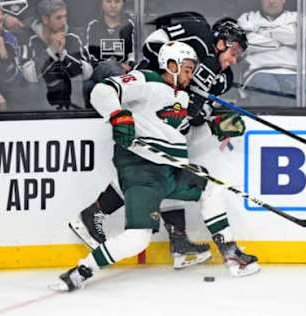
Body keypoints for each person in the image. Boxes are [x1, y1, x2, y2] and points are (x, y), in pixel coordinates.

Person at [68, 14, 258, 275]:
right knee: (148, 167)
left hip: (170, 115)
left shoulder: (217, 79)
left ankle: (178, 242)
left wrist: (212, 124)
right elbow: (152, 45)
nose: (234, 59)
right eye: (234, 50)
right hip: (149, 99)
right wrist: (170, 72)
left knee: (170, 164)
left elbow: (188, 122)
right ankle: (97, 215)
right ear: (221, 41)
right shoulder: (196, 38)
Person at [53, 41, 204, 291]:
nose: (191, 75)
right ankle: (82, 269)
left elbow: (177, 133)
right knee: (138, 237)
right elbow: (103, 91)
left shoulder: (181, 96)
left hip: (162, 168)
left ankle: (185, 244)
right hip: (141, 165)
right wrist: (117, 115)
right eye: (187, 68)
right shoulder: (146, 79)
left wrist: (212, 125)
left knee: (200, 185)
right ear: (171, 65)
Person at [238, 0, 306, 107]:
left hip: (293, 73)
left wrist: (260, 31)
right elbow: (247, 43)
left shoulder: (298, 17)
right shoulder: (247, 18)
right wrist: (279, 42)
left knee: (304, 86)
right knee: (269, 87)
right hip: (257, 72)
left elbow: (294, 37)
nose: (272, 2)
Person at [21, 0, 92, 109]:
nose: (64, 22)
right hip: (40, 103)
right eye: (58, 18)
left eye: (65, 16)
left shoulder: (73, 36)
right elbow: (30, 77)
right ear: (45, 19)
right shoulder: (29, 38)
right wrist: (52, 51)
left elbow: (87, 72)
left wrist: (62, 54)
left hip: (74, 101)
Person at [83, 0, 135, 107]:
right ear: (101, 3)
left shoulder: (129, 25)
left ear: (123, 4)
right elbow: (89, 55)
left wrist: (129, 65)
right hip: (99, 70)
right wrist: (115, 64)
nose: (113, 5)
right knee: (110, 68)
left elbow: (133, 53)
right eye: (108, 1)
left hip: (124, 71)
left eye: (117, 2)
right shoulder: (93, 25)